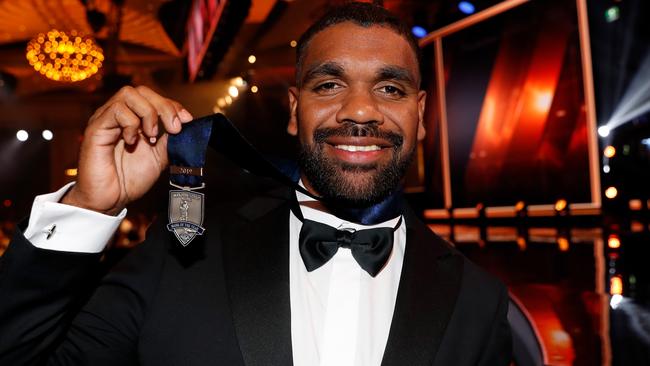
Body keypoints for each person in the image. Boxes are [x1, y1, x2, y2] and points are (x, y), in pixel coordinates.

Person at [0, 2, 511, 365]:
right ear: (294, 110)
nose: (360, 110)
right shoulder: (179, 257)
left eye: (390, 87)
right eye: (329, 84)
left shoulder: (478, 300)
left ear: (420, 115)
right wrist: (88, 208)